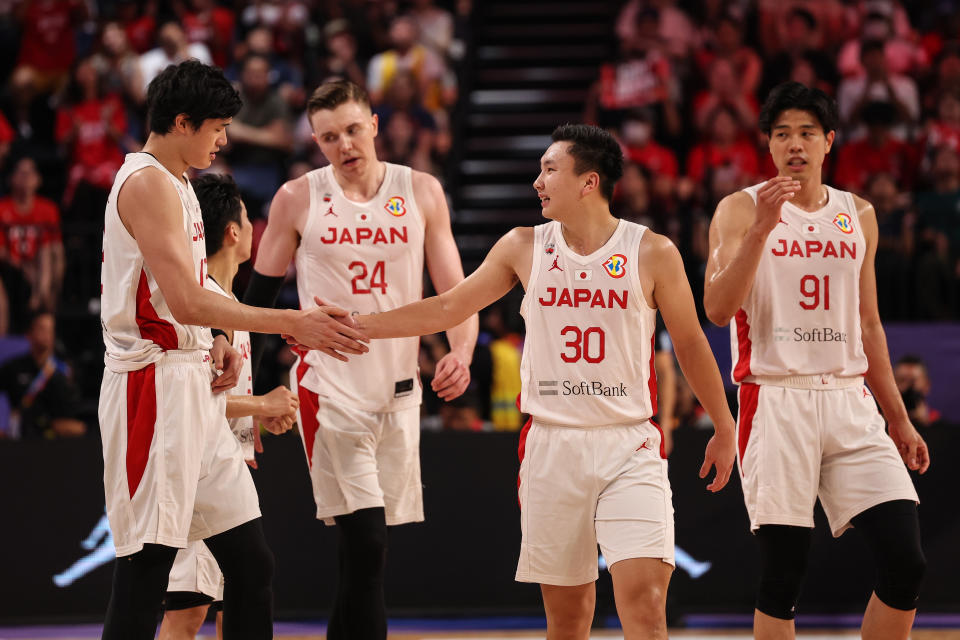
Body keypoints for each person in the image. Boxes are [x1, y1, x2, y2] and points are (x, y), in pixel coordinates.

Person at [342, 124, 736, 639]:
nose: (537, 181)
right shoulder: (522, 247)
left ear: (588, 182)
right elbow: (447, 306)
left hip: (629, 443)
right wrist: (356, 325)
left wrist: (724, 426)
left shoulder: (653, 251)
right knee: (568, 621)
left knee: (646, 603)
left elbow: (690, 344)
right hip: (551, 444)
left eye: (550, 169)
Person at [97, 60, 368, 639]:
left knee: (250, 563)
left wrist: (215, 339)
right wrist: (292, 319)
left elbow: (192, 298)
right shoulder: (145, 182)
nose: (224, 139)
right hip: (152, 387)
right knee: (146, 571)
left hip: (191, 379)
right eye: (216, 126)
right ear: (181, 122)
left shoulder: (181, 184)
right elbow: (188, 301)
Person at [247, 79, 477, 640]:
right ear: (315, 141)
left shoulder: (421, 191)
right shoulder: (296, 198)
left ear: (374, 124)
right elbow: (255, 304)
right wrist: (245, 404)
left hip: (397, 391)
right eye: (329, 137)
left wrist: (462, 352)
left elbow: (457, 294)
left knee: (362, 554)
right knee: (367, 544)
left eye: (352, 130)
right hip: (329, 391)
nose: (344, 144)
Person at [703, 81, 929, 640]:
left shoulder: (860, 215)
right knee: (784, 574)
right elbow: (717, 308)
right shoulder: (738, 209)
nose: (794, 144)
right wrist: (762, 227)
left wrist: (898, 418)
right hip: (775, 397)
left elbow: (869, 325)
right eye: (782, 134)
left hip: (849, 399)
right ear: (770, 145)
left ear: (829, 141)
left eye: (807, 132)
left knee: (906, 563)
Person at [158, 173, 300, 640]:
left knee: (226, 597)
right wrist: (262, 403)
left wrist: (260, 416)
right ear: (234, 232)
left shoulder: (225, 303)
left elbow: (218, 399)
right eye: (247, 218)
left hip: (221, 465)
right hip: (199, 469)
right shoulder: (209, 307)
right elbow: (195, 400)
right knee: (188, 610)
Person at [0, 310, 85, 439]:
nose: (47, 334)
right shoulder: (13, 367)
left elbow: (75, 412)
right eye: (41, 329)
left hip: (58, 440)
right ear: (29, 334)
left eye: (50, 330)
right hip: (22, 437)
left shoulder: (64, 369)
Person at [893, 355, 941, 428]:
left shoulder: (948, 432)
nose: (907, 388)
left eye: (913, 381)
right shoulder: (878, 429)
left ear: (926, 385)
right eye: (901, 380)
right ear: (892, 385)